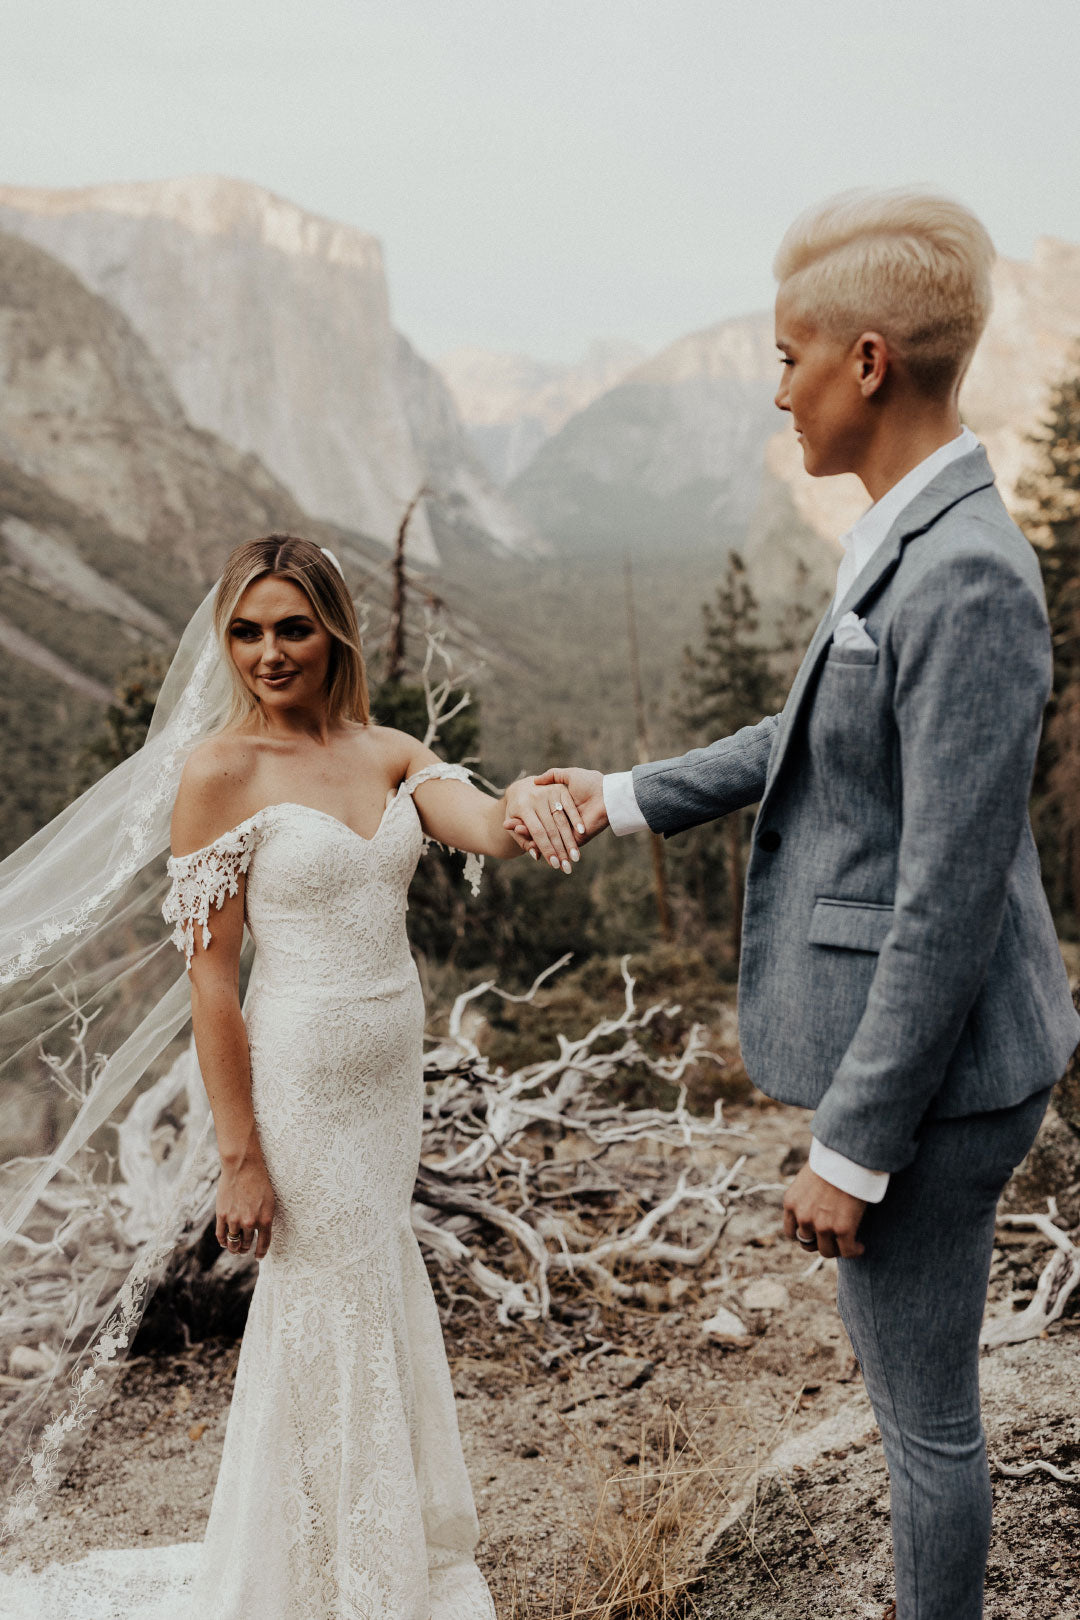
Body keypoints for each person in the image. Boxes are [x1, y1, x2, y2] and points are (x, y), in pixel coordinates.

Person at [508, 190, 1080, 1620]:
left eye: (789, 357)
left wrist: (854, 1149)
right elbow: (808, 735)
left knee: (928, 1424)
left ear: (868, 361)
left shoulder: (967, 576)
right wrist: (625, 791)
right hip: (925, 1063)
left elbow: (947, 897)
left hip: (938, 1084)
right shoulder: (906, 527)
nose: (778, 392)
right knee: (909, 1407)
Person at [0, 535, 574, 1619]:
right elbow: (212, 984)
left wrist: (540, 800)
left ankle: (369, 1546)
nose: (269, 652)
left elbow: (487, 825)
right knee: (325, 1301)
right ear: (227, 642)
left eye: (293, 628)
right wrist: (239, 1158)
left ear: (335, 631)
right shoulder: (220, 772)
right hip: (299, 1084)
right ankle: (331, 1579)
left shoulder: (392, 751)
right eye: (247, 631)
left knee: (373, 1286)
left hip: (386, 1081)